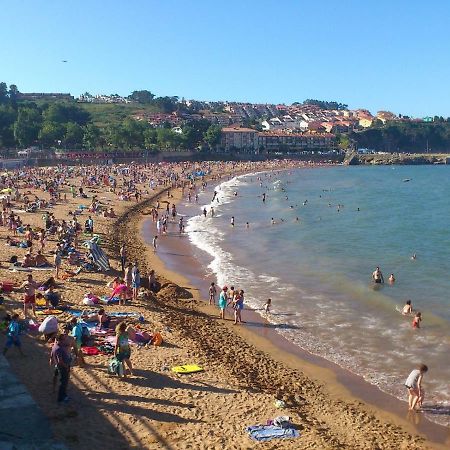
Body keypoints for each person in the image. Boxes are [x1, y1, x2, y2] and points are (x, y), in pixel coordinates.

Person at [50, 334, 71, 403]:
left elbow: (52, 354)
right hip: (63, 368)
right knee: (63, 383)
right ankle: (61, 398)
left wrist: (51, 359)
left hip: (59, 366)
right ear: (60, 340)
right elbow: (60, 361)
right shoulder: (59, 349)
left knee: (61, 380)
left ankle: (62, 395)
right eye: (63, 340)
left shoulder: (55, 346)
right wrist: (66, 367)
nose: (64, 341)